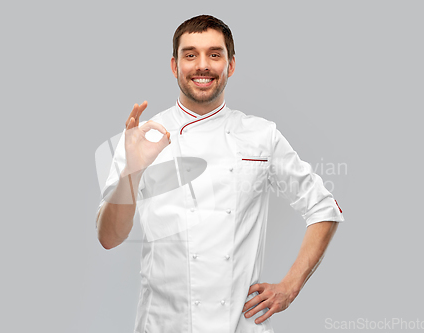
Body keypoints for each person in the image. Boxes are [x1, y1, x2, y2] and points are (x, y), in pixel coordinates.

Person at [96, 14, 344, 333]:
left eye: (215, 54)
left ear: (231, 65)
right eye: (190, 55)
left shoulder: (260, 135)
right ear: (174, 66)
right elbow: (108, 237)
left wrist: (291, 285)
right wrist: (132, 170)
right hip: (162, 325)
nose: (203, 65)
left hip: (238, 325)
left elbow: (324, 207)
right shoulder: (142, 137)